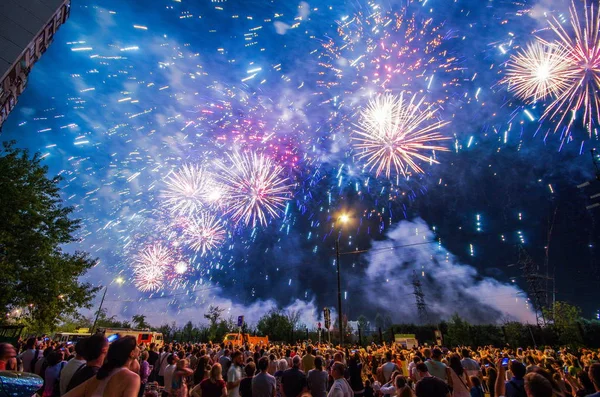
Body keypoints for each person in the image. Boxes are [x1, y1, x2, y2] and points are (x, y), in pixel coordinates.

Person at [63, 336, 141, 397]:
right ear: (132, 353)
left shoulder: (99, 376)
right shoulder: (133, 378)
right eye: (136, 346)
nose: (139, 348)